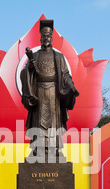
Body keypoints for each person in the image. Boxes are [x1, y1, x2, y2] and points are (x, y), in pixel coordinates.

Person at [20, 19, 79, 159]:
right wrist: (29, 69)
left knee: (53, 123)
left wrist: (70, 86)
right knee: (39, 123)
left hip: (54, 93)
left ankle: (54, 149)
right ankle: (37, 149)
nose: (46, 38)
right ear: (41, 38)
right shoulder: (36, 56)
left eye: (48, 36)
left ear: (51, 38)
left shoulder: (58, 56)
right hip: (39, 92)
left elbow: (65, 75)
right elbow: (25, 73)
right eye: (44, 36)